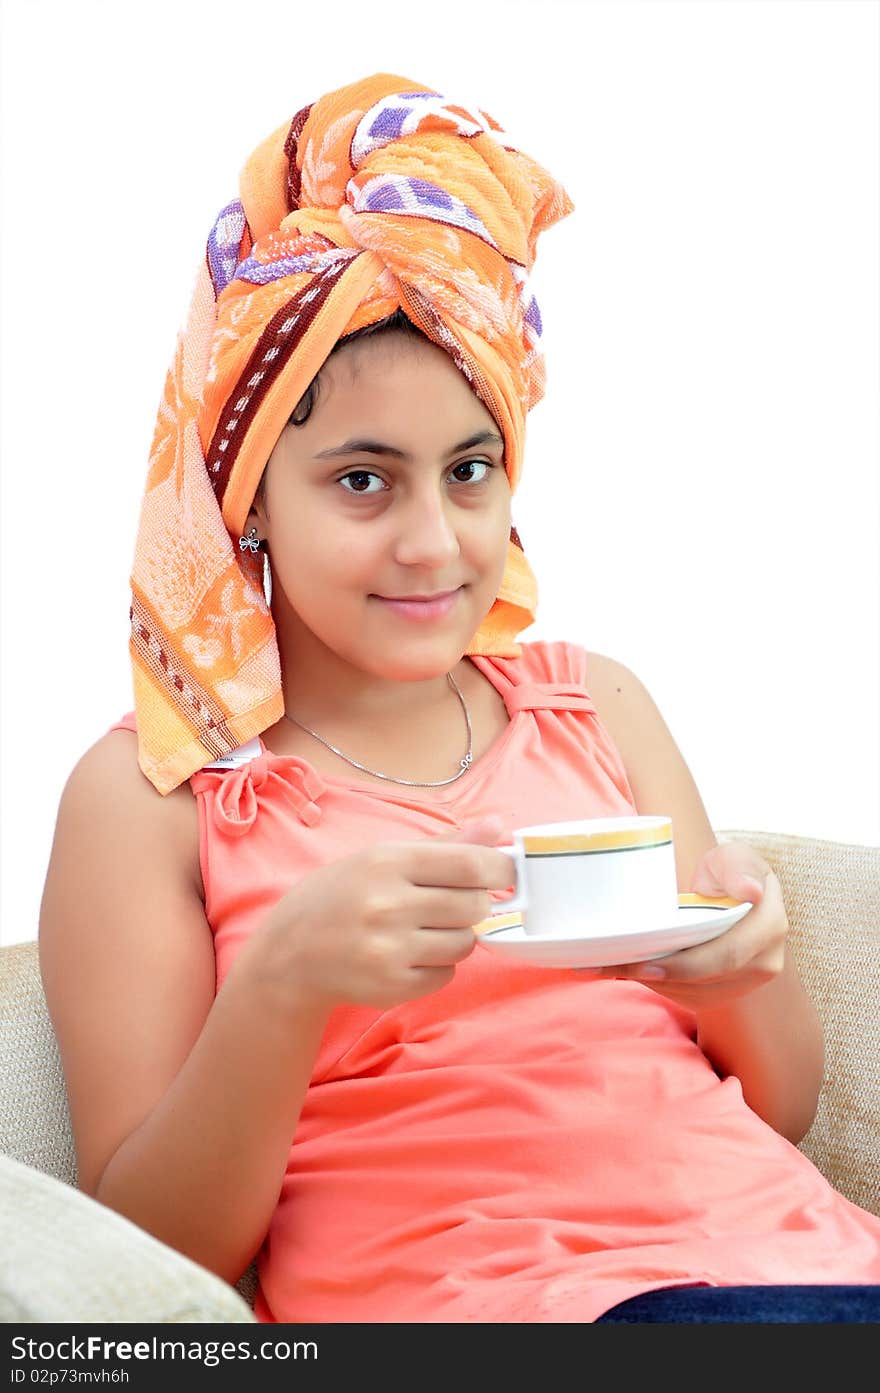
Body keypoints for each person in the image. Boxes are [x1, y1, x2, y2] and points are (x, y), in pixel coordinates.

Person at [38, 72, 880, 1324]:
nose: (435, 543)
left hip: (808, 1264)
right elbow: (154, 1260)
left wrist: (739, 978)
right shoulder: (159, 794)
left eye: (470, 470)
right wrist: (285, 985)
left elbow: (778, 1110)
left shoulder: (594, 703)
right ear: (248, 497)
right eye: (363, 481)